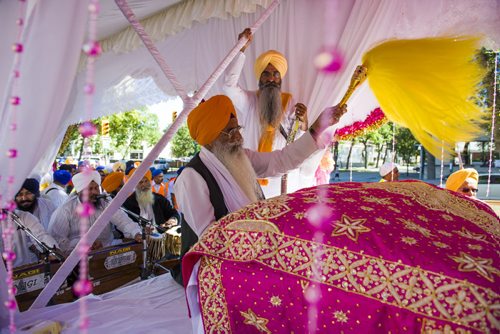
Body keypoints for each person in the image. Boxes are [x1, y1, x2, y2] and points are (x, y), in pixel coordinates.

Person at [173, 95, 346, 284]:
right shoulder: (192, 177)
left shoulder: (239, 156)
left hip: (250, 255)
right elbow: (211, 239)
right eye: (230, 131)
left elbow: (282, 160)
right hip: (212, 268)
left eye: (237, 128)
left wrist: (317, 127)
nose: (238, 136)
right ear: (210, 138)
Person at [223, 28, 309, 198]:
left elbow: (297, 141)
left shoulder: (289, 102)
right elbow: (228, 86)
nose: (271, 79)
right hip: (251, 176)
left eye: (276, 74)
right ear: (259, 77)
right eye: (266, 74)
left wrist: (304, 122)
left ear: (280, 78)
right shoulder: (249, 100)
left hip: (282, 180)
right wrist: (240, 50)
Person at [48, 170, 142, 256]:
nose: (95, 192)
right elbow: (58, 240)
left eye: (96, 188)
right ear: (79, 192)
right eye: (90, 189)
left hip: (107, 249)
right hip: (77, 256)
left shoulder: (104, 203)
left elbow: (123, 221)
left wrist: (136, 233)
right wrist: (84, 244)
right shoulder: (66, 210)